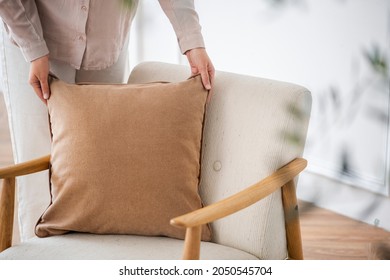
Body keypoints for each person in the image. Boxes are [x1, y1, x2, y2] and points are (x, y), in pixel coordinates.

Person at [0, 0, 215, 242]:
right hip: (34, 41)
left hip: (106, 41)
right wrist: (33, 47)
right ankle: (38, 262)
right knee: (37, 161)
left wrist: (191, 40)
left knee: (102, 164)